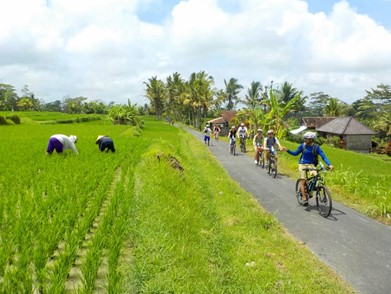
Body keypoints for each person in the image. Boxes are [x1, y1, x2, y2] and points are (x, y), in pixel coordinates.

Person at [283, 131, 334, 206]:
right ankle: (304, 198)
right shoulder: (302, 146)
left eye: (306, 139)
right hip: (302, 164)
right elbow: (295, 153)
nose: (304, 140)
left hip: (311, 164)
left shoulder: (316, 147)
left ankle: (312, 189)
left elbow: (323, 156)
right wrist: (287, 150)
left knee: (316, 176)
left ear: (311, 139)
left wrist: (329, 164)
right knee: (303, 181)